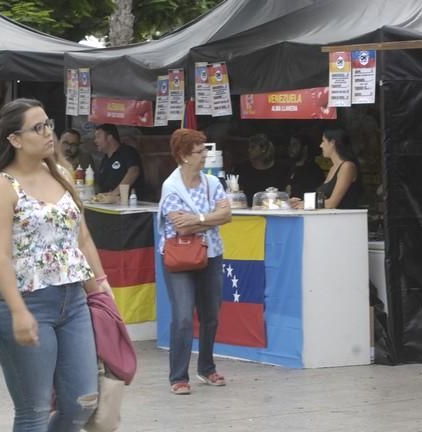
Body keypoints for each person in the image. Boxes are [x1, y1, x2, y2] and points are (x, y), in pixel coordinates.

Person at [0, 98, 111, 431]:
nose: (48, 133)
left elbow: (81, 238)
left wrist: (100, 287)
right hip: (24, 302)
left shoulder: (61, 173)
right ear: (15, 139)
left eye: (48, 124)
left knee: (82, 401)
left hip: (73, 301)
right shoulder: (0, 185)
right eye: (38, 128)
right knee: (34, 409)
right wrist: (19, 311)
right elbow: (0, 255)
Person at [158, 128, 232, 395]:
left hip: (211, 254)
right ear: (184, 156)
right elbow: (179, 227)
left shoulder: (212, 183)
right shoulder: (171, 186)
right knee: (183, 317)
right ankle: (178, 376)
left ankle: (207, 367)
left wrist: (198, 220)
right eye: (199, 152)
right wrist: (210, 217)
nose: (205, 156)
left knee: (211, 314)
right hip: (180, 259)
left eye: (205, 150)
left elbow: (226, 215)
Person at [290, 129, 361, 209]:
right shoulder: (333, 168)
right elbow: (323, 199)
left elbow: (332, 203)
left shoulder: (347, 167)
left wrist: (305, 204)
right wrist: (298, 202)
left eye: (323, 141)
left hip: (346, 219)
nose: (321, 145)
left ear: (332, 143)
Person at [234, 134, 289, 207]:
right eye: (249, 147)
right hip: (247, 212)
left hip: (273, 211)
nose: (249, 150)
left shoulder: (280, 169)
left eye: (253, 147)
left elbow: (285, 194)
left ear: (263, 149)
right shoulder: (243, 168)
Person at [95, 123, 146, 198]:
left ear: (109, 137)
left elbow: (134, 171)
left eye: (98, 137)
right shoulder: (105, 159)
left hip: (130, 203)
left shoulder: (128, 152)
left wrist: (115, 193)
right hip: (108, 204)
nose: (95, 141)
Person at [286, 134, 324, 199]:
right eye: (290, 145)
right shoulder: (286, 168)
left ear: (305, 148)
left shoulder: (313, 171)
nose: (291, 148)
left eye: (295, 145)